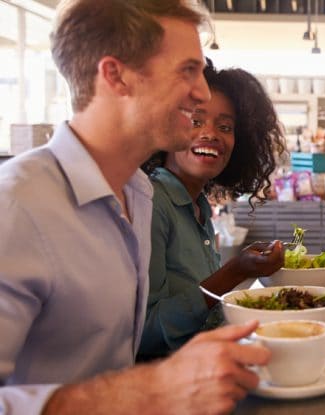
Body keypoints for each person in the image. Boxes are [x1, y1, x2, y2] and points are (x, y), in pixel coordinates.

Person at [0, 1, 269, 414]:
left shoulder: (137, 195)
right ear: (116, 75)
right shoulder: (16, 206)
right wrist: (147, 391)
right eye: (187, 70)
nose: (200, 92)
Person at [138, 62, 286, 359]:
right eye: (196, 121)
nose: (211, 134)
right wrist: (234, 272)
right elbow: (144, 335)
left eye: (225, 127)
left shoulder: (198, 206)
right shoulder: (151, 204)